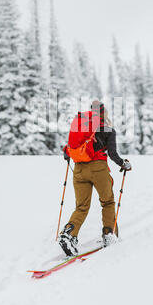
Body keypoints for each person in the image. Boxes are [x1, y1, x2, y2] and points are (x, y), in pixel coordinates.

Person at [59, 100, 132, 256]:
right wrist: (123, 163)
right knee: (107, 202)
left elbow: (68, 151)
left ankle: (68, 234)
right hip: (98, 168)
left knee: (81, 207)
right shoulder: (108, 130)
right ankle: (108, 234)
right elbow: (112, 154)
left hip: (79, 169)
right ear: (104, 113)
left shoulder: (82, 127)